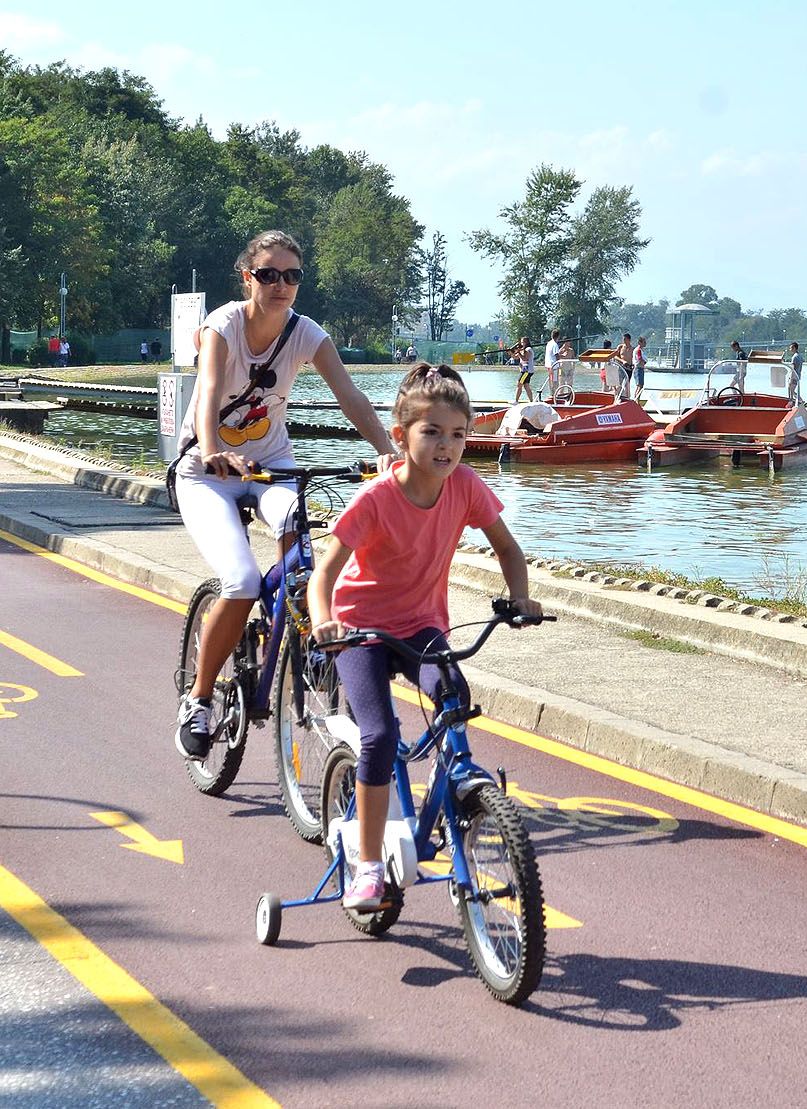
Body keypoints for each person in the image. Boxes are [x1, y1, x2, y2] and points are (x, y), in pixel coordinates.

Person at [307, 363, 541, 910]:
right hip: (361, 628)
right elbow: (325, 573)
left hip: (423, 625)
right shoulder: (376, 499)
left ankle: (453, 793)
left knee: (453, 700)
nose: (446, 446)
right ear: (400, 436)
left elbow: (508, 549)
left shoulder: (465, 487)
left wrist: (521, 597)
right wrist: (324, 620)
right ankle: (367, 866)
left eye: (458, 434)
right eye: (431, 432)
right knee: (380, 734)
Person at [173, 229, 398, 761]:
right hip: (206, 471)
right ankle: (199, 699)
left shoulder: (307, 334)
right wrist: (212, 449)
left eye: (292, 276)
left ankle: (295, 633)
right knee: (243, 578)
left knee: (305, 559)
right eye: (269, 274)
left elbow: (350, 395)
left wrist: (391, 452)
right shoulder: (223, 325)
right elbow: (207, 389)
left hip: (274, 469)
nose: (281, 285)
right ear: (247, 276)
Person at [512, 337, 535, 402]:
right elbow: (515, 357)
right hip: (525, 371)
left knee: (519, 384)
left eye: (523, 342)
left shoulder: (528, 349)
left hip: (526, 371)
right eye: (521, 342)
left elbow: (525, 359)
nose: (521, 344)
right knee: (526, 385)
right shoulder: (523, 350)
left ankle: (516, 401)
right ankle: (531, 401)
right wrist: (511, 352)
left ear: (526, 342)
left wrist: (518, 352)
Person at [613, 332, 633, 398]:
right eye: (623, 339)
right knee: (618, 384)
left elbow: (634, 359)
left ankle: (627, 398)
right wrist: (623, 361)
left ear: (629, 340)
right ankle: (617, 396)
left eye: (625, 339)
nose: (624, 341)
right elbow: (615, 356)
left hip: (629, 368)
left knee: (627, 384)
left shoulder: (632, 349)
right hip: (621, 367)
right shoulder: (620, 347)